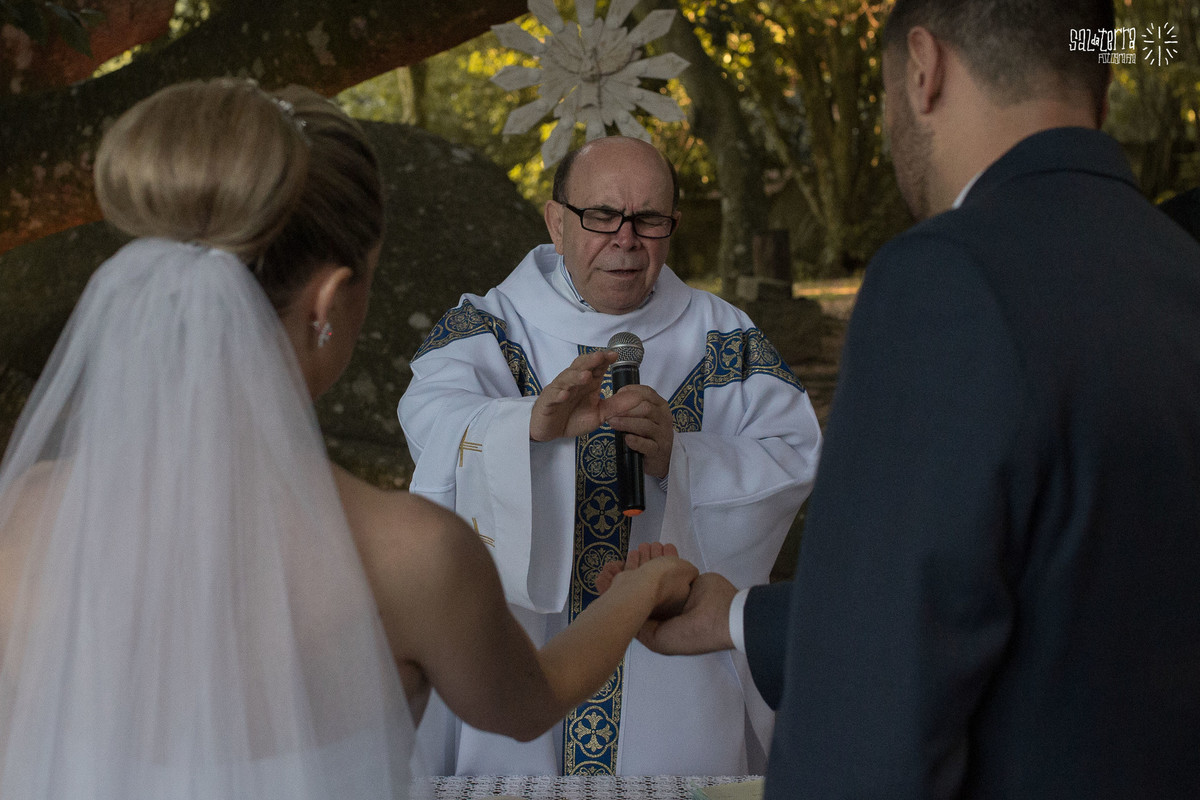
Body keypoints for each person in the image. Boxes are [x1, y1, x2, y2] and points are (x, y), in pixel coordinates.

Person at [0, 79, 696, 799]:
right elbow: (532, 702)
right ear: (330, 300)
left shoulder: (24, 513)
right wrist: (641, 588)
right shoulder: (409, 554)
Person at [612, 0, 1200, 797]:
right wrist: (737, 619)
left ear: (925, 69)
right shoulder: (1176, 268)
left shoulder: (949, 280)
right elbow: (1087, 599)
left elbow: (874, 698)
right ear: (1098, 80)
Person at [397, 135, 822, 775]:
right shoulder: (489, 327)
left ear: (672, 227)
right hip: (520, 656)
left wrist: (680, 459)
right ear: (557, 222)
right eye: (602, 216)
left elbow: (795, 455)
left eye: (650, 220)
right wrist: (524, 427)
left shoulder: (725, 337)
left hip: (673, 672)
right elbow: (428, 418)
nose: (626, 239)